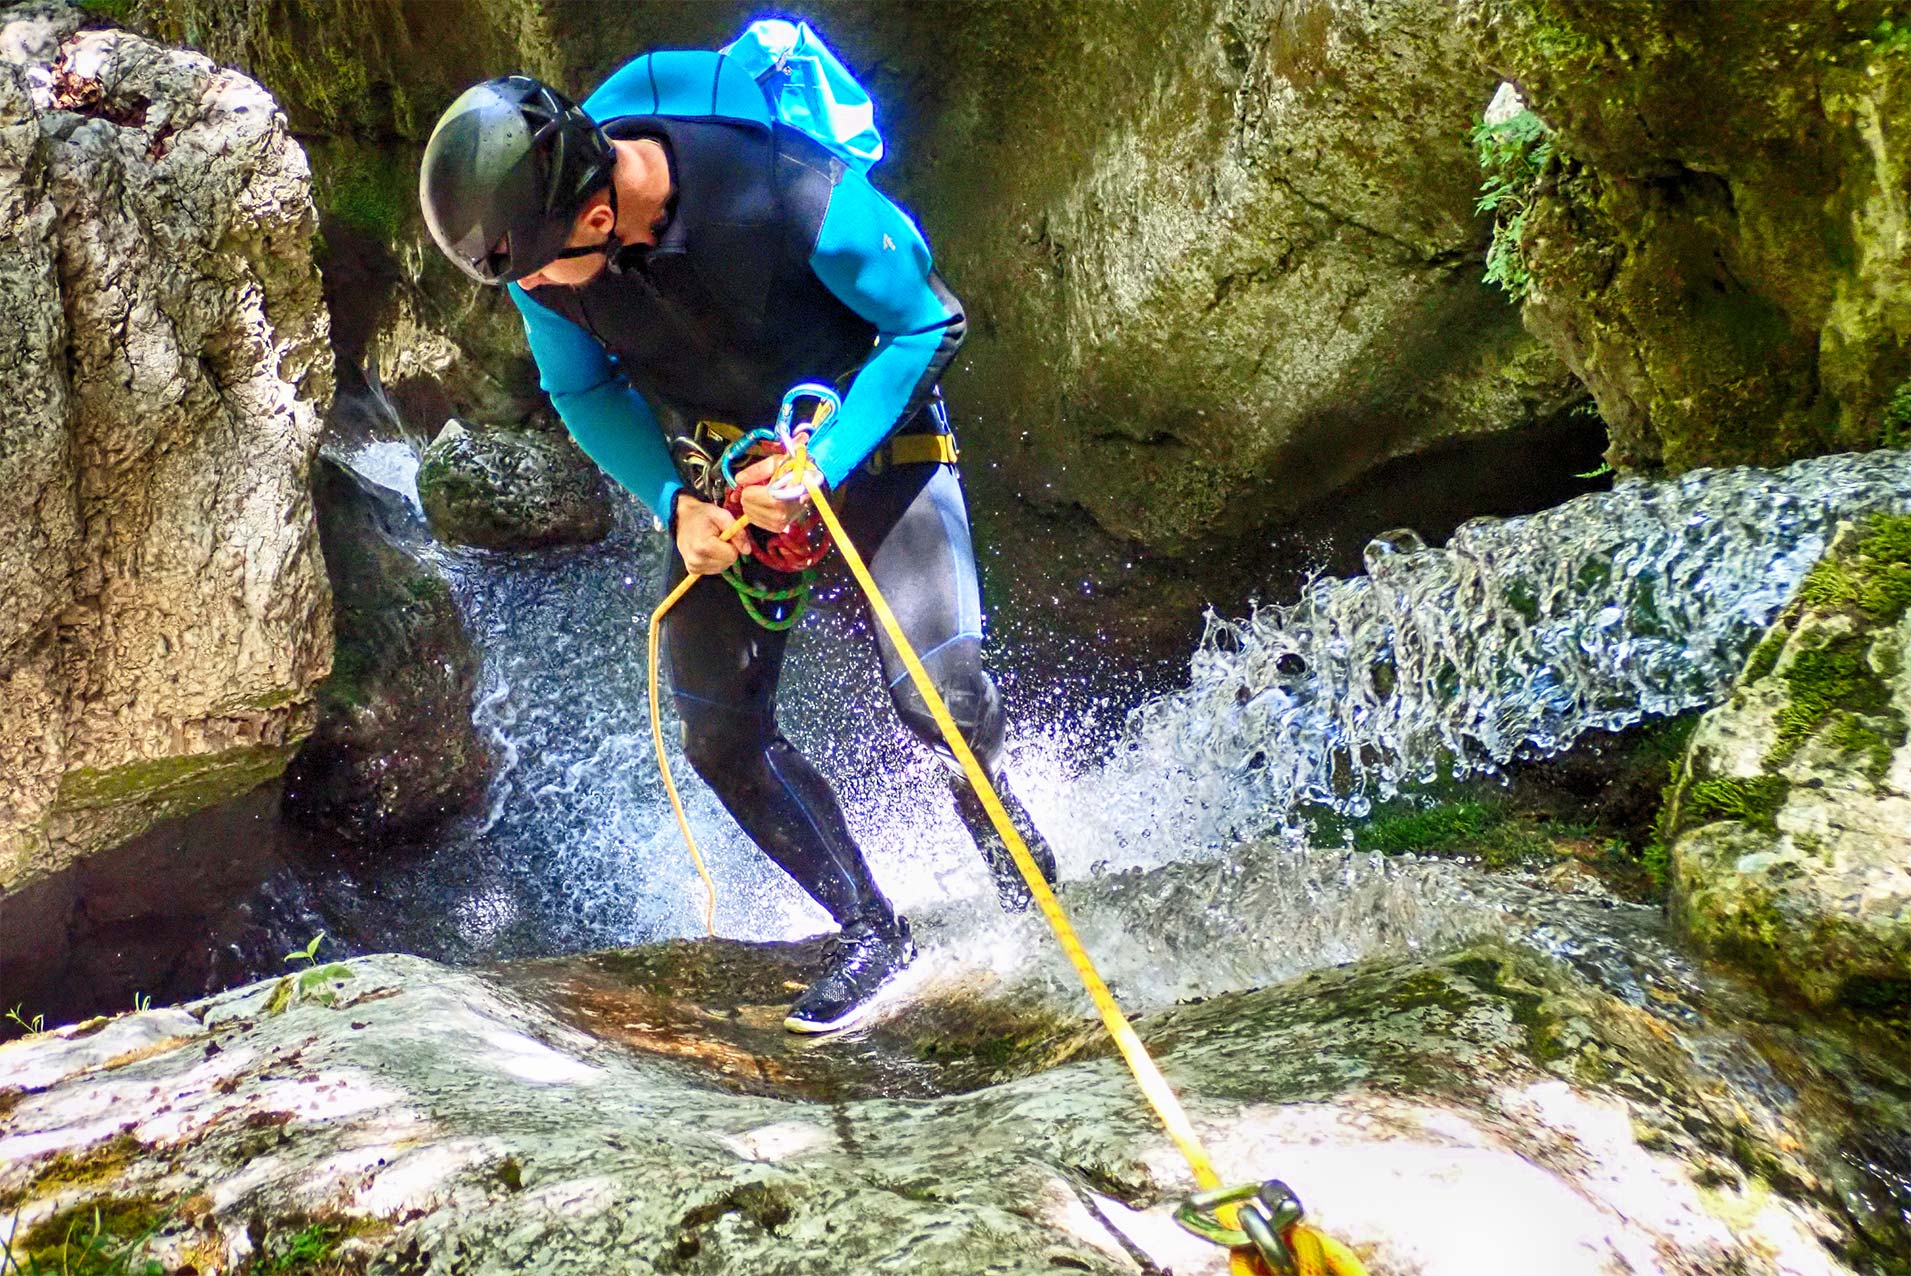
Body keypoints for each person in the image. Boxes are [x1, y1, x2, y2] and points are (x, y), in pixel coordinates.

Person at [419, 50, 1058, 1034]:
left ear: (598, 216)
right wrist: (675, 503)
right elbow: (584, 391)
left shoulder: (786, 191)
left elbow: (929, 321)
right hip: (727, 472)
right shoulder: (544, 262)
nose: (535, 291)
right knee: (721, 737)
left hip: (873, 438)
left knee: (945, 701)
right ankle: (872, 933)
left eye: (541, 267)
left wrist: (823, 464)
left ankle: (1020, 865)